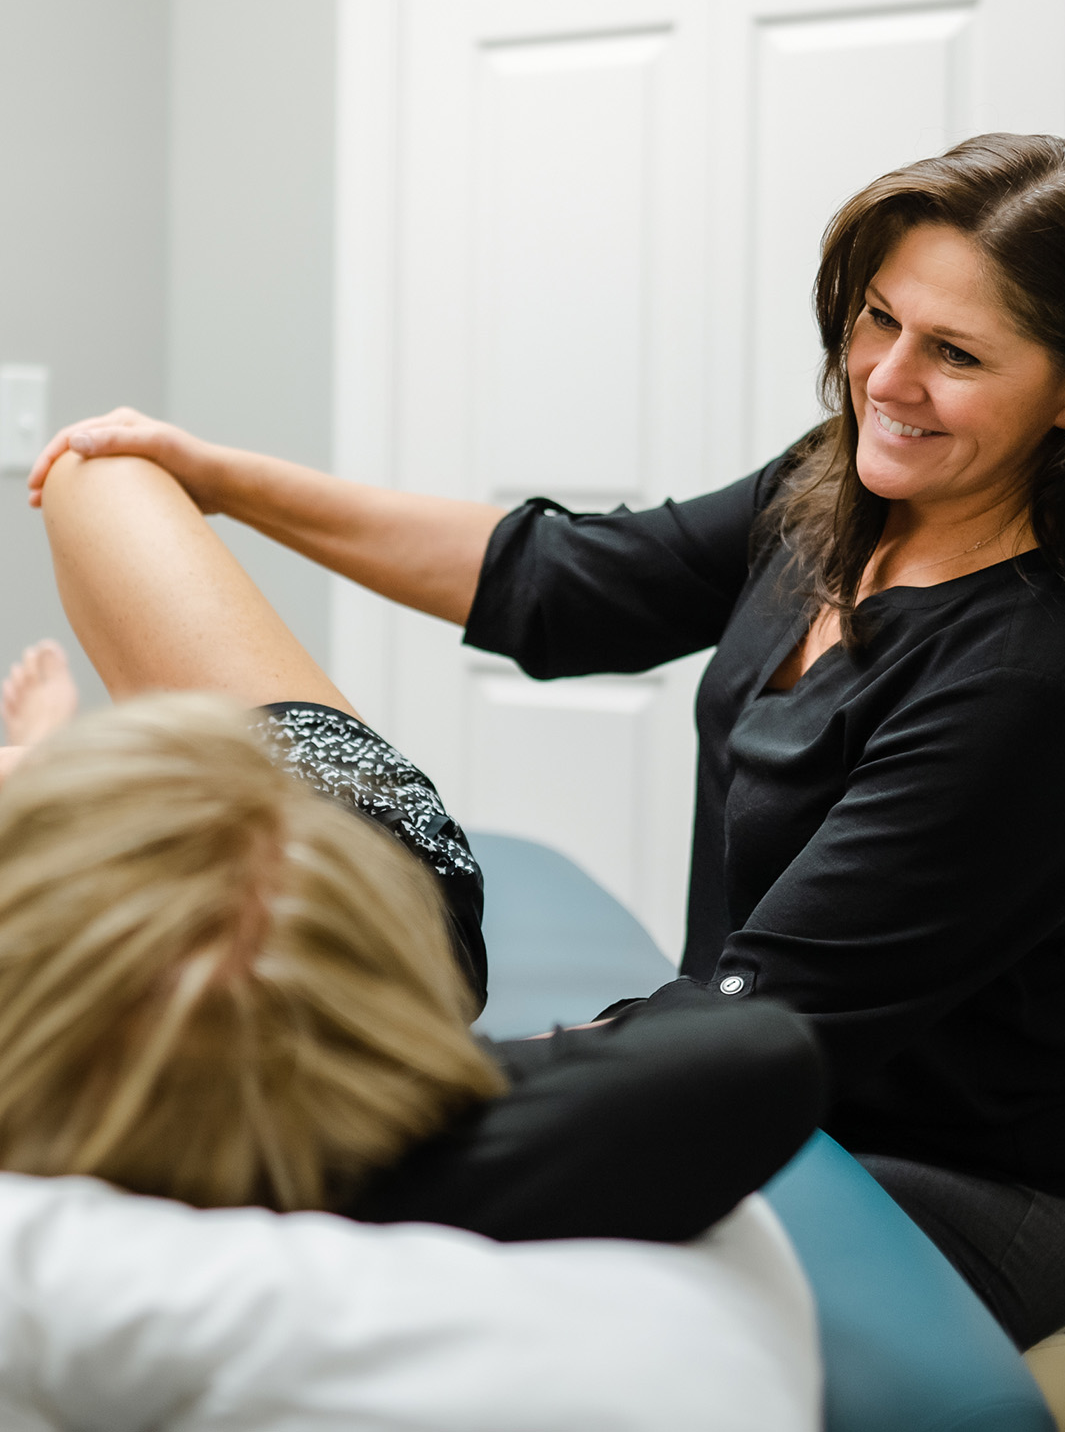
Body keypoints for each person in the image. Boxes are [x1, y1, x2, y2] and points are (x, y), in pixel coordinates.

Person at [29, 131, 1065, 1347]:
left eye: (955, 353)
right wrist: (221, 479)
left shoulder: (1043, 683)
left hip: (947, 1170)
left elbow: (765, 1019)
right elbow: (561, 581)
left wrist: (405, 1078)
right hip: (746, 1061)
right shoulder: (839, 493)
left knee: (373, 1243)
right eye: (878, 319)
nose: (887, 380)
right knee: (104, 491)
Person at [0, 450, 822, 1239]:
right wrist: (421, 1085)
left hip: (305, 858)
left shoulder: (59, 1119)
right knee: (92, 477)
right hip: (368, 868)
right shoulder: (389, 1137)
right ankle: (56, 766)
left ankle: (50, 765)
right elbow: (756, 1051)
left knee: (90, 473)